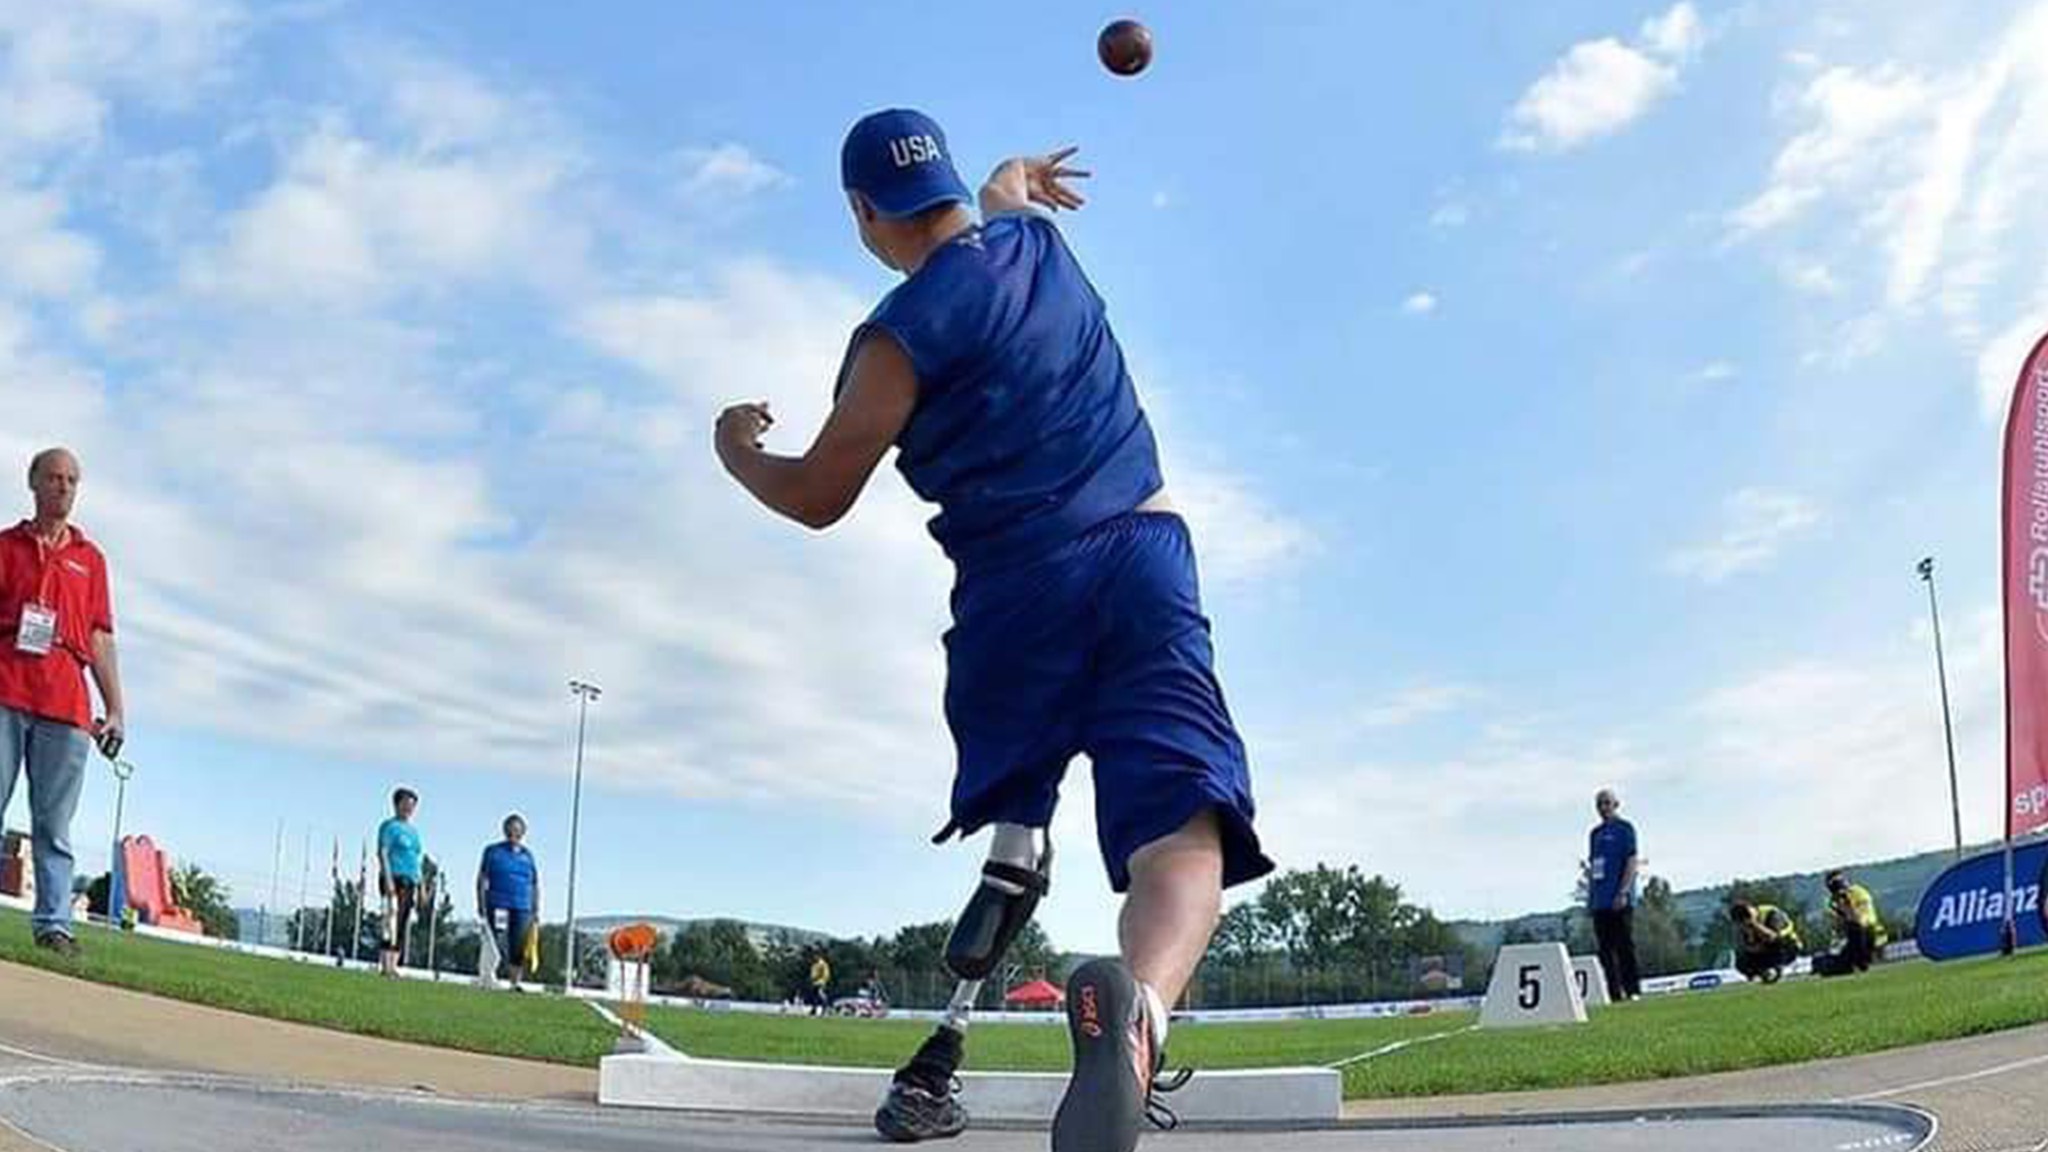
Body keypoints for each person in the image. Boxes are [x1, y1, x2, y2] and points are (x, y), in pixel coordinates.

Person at [714, 108, 1271, 1150]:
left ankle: (941, 1048)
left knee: (1019, 830)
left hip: (1016, 599)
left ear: (861, 212)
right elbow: (1006, 196)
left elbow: (818, 494)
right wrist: (1014, 177)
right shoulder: (1036, 243)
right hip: (1143, 554)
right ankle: (1139, 1016)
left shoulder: (895, 337)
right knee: (1180, 836)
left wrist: (734, 448)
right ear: (958, 188)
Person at [0, 448, 125, 957]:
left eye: (72, 479)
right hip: (5, 688)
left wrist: (115, 707)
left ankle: (54, 923)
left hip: (66, 702)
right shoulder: (6, 547)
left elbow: (100, 637)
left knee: (54, 823)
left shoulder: (89, 560)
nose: (64, 487)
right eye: (54, 477)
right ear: (33, 483)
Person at [1585, 788, 1642, 1002]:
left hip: (1620, 898)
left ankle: (1633, 990)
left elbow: (1631, 861)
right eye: (1599, 804)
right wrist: (1591, 897)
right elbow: (1594, 867)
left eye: (1607, 803)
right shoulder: (1595, 834)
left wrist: (1624, 891)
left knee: (1625, 945)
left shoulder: (1625, 829)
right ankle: (1614, 992)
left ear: (1616, 804)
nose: (1603, 808)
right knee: (1605, 949)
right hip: (1600, 900)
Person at [477, 813, 541, 989]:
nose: (514, 834)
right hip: (498, 904)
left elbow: (535, 884)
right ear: (505, 831)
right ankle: (489, 976)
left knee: (518, 945)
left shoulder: (528, 856)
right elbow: (482, 879)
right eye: (511, 830)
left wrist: (536, 909)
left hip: (522, 907)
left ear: (523, 833)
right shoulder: (492, 852)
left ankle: (515, 982)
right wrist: (480, 903)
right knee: (498, 940)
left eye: (518, 831)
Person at [376, 788, 423, 977]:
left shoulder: (413, 832)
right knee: (390, 920)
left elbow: (416, 859)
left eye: (412, 806)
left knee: (403, 922)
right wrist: (388, 879)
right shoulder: (389, 827)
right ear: (396, 804)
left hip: (410, 880)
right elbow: (383, 852)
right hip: (393, 878)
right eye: (405, 804)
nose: (408, 809)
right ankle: (385, 964)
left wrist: (421, 886)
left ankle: (395, 964)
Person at [1813, 870, 1886, 977]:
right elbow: (1840, 926)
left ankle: (1858, 962)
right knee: (1836, 963)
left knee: (1855, 930)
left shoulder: (1853, 894)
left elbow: (1858, 920)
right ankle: (1855, 962)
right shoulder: (1856, 892)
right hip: (1864, 936)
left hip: (1866, 934)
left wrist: (1844, 908)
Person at [1729, 900, 1801, 984]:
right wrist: (1750, 942)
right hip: (1763, 950)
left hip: (1787, 947)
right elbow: (1743, 945)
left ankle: (1777, 967)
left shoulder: (1771, 913)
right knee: (1741, 960)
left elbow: (1773, 937)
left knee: (1778, 942)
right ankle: (1763, 973)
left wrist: (1755, 925)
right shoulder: (1741, 926)